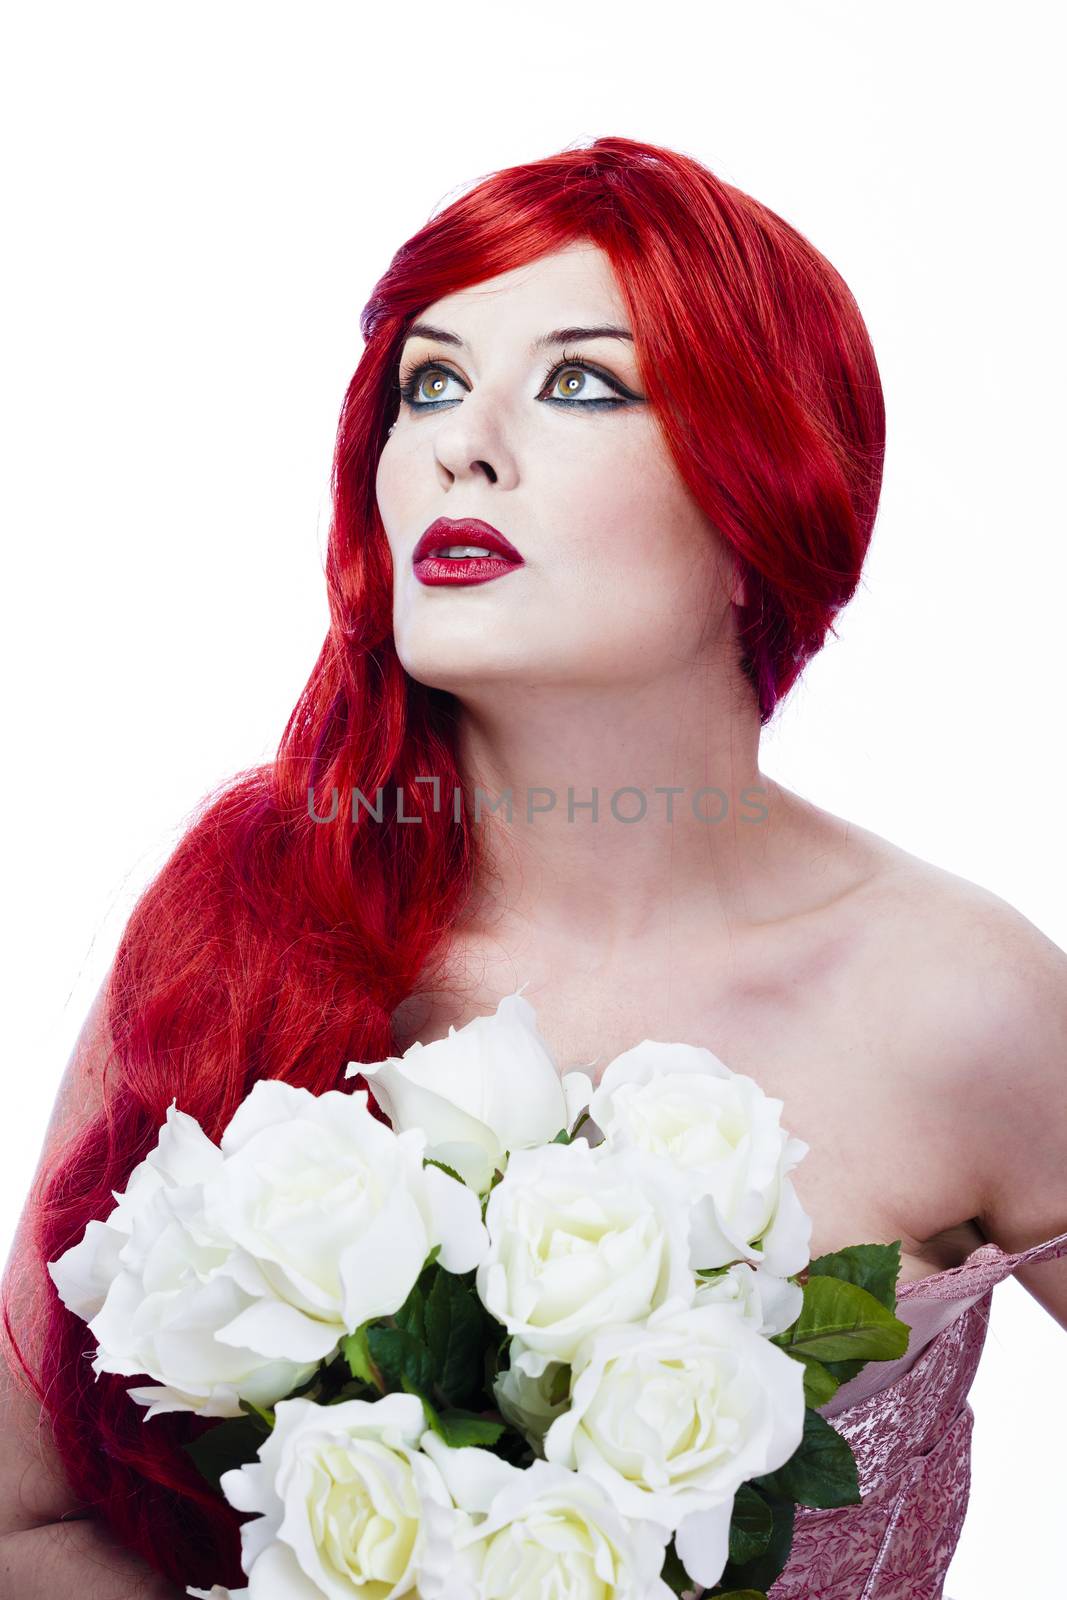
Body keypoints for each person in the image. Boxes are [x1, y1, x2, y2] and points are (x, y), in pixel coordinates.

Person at [2, 134, 1064, 1599]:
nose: (458, 439)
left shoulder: (964, 1004)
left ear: (767, 504)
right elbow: (24, 1525)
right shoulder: (238, 924)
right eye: (430, 380)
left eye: (581, 381)